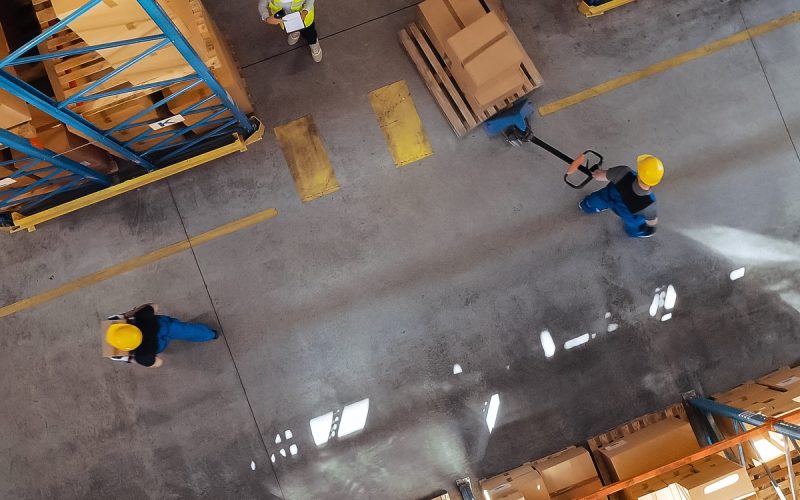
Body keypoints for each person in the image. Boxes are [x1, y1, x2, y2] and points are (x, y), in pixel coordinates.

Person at [105, 304, 218, 368]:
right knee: (187, 330)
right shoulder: (141, 316)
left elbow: (158, 363)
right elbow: (154, 306)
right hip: (163, 326)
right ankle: (211, 334)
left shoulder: (142, 356)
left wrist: (130, 359)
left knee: (176, 334)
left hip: (158, 346)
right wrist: (130, 313)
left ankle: (210, 335)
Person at [579, 154, 664, 238]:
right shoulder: (650, 204)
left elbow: (599, 176)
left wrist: (596, 173)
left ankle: (587, 205)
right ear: (655, 182)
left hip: (609, 196)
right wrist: (651, 229)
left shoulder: (623, 172)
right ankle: (634, 232)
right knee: (636, 222)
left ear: (639, 172)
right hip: (627, 214)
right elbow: (651, 220)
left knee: (598, 199)